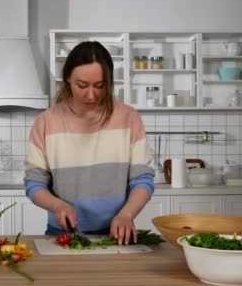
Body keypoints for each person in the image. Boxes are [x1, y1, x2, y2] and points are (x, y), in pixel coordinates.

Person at [24, 41, 154, 245]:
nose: (91, 95)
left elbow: (143, 180)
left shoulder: (129, 118)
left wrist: (126, 215)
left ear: (109, 82)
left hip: (117, 234)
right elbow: (35, 184)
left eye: (100, 86)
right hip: (63, 234)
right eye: (82, 85)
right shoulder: (46, 122)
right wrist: (58, 206)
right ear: (68, 79)